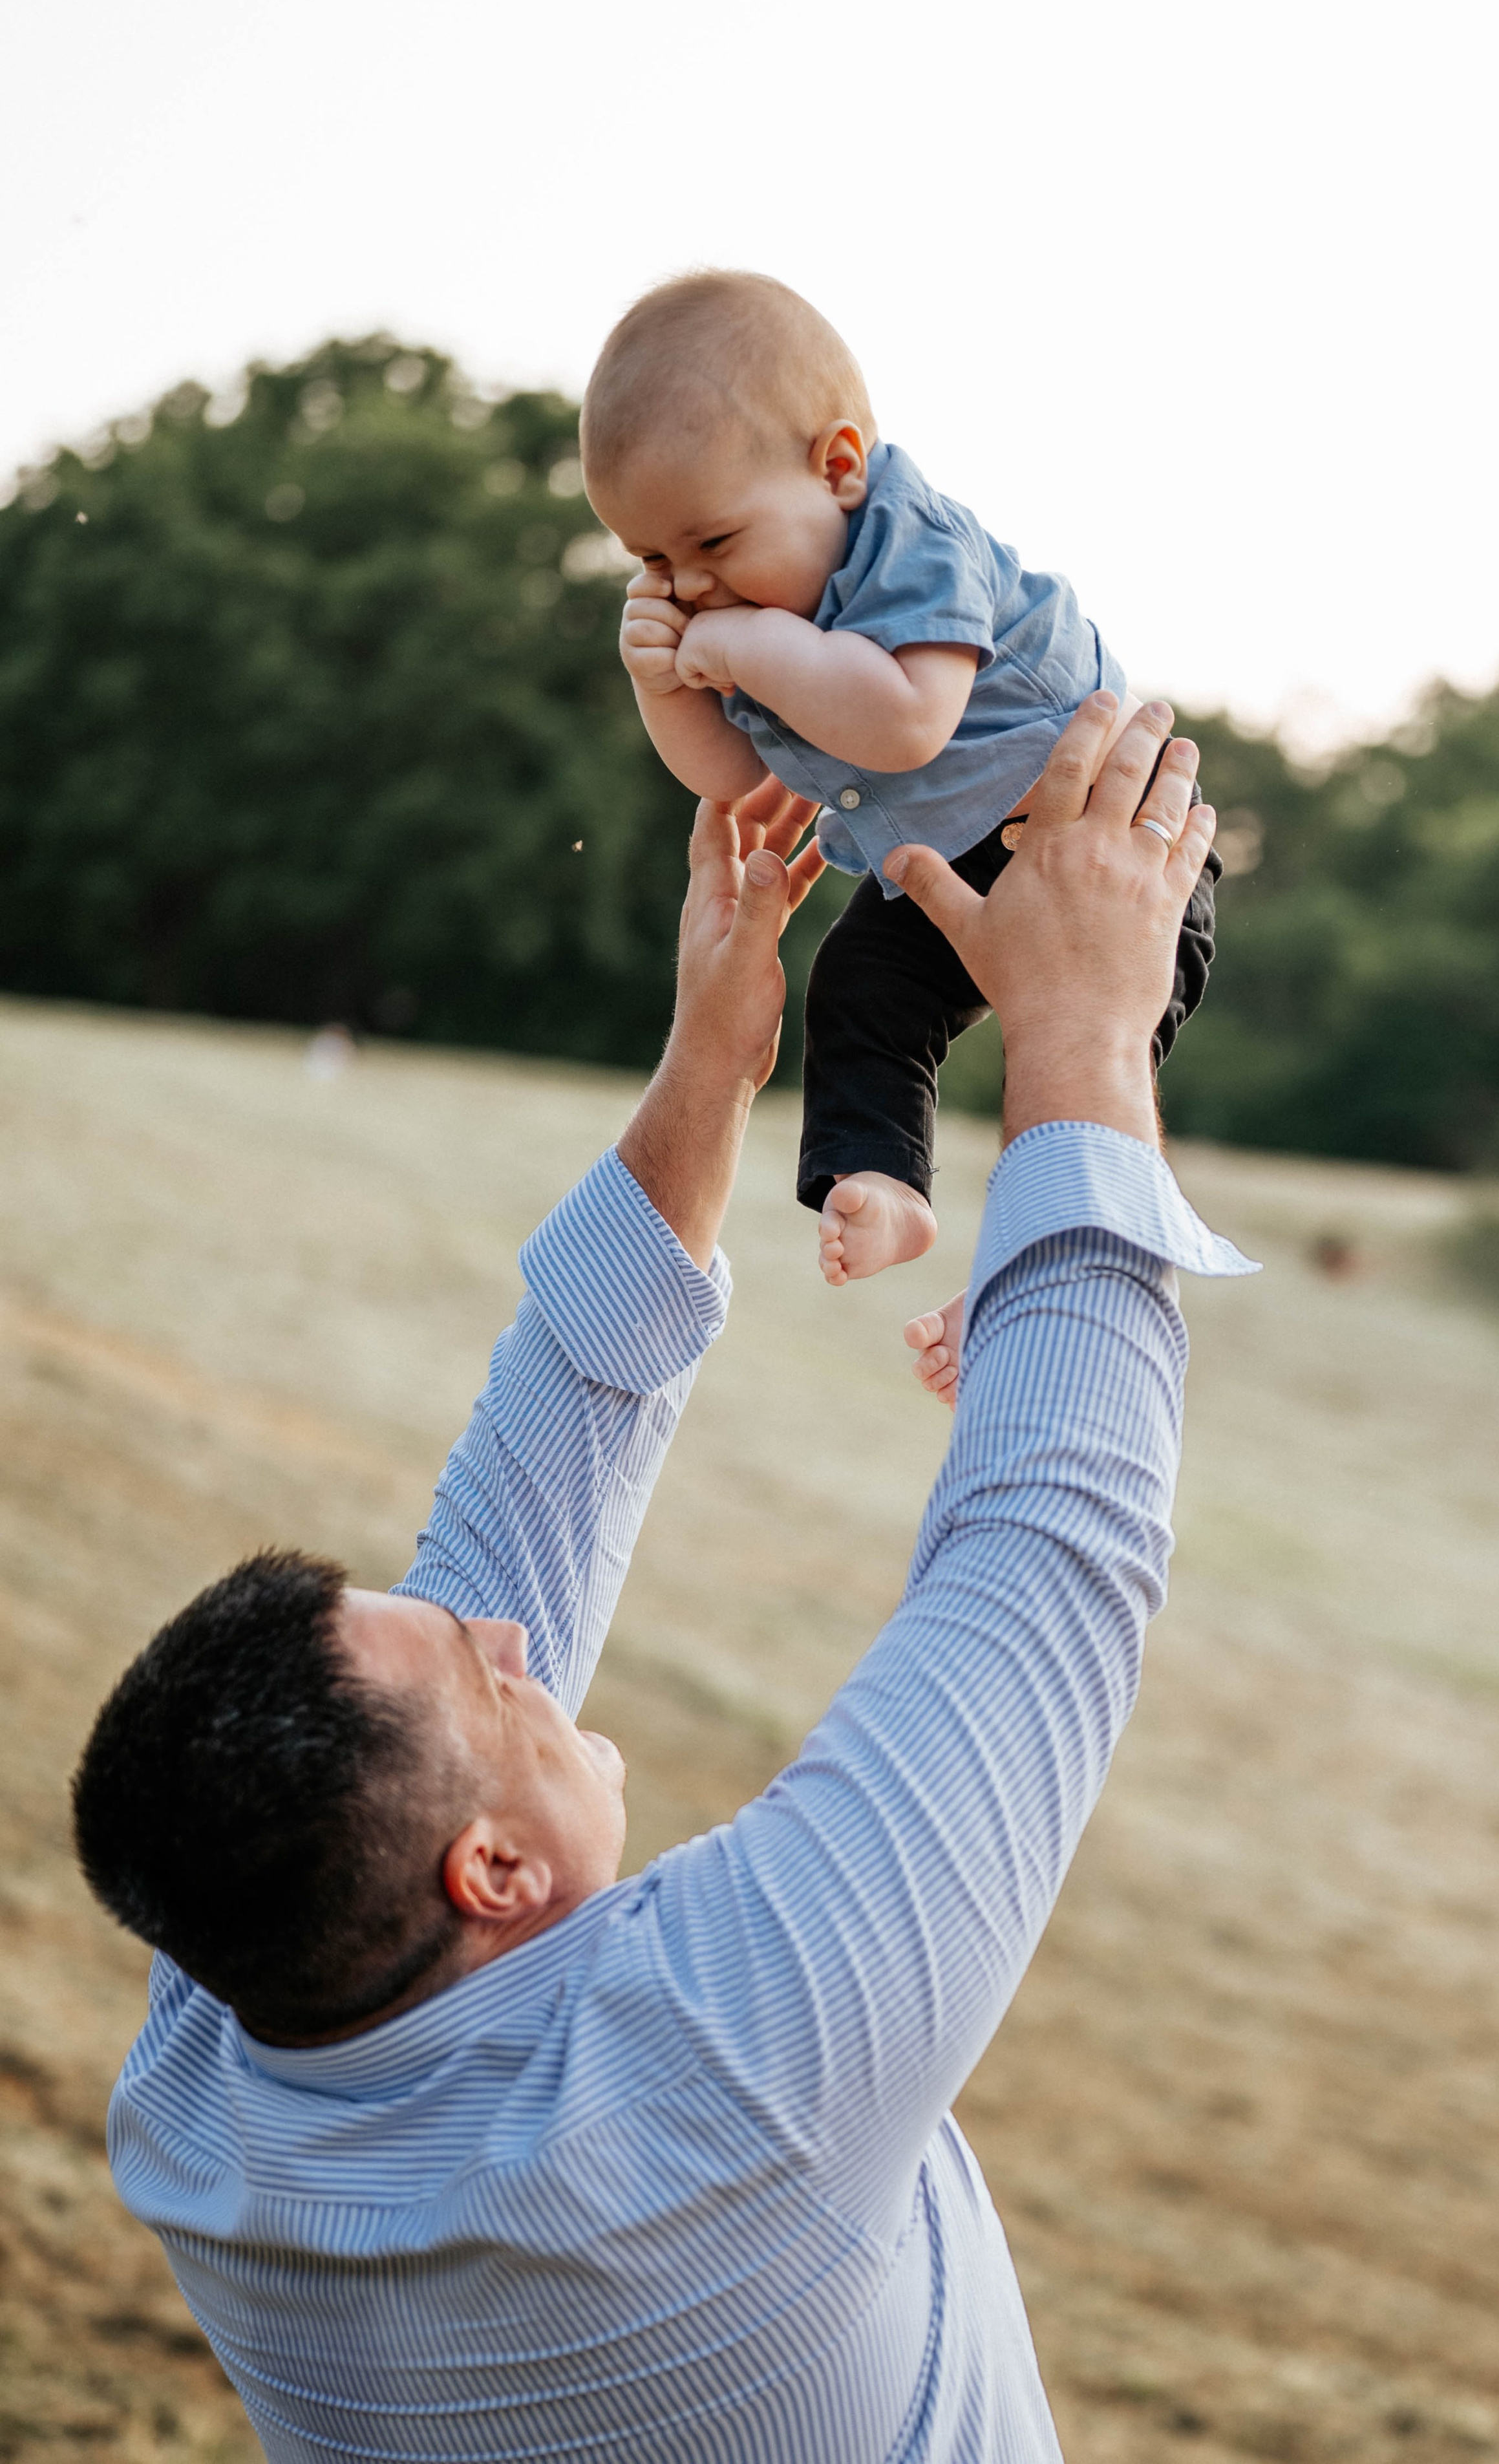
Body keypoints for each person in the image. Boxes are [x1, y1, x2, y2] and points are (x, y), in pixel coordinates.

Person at [72, 696, 1253, 2464]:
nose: (496, 1622)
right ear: (491, 1870)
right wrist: (1081, 1033)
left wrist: (714, 1058)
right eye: (477, 1671)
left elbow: (538, 1471)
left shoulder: (215, 2070)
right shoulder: (726, 2071)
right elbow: (1047, 1560)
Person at [581, 271, 1220, 1287]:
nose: (690, 585)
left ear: (837, 467)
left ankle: (1058, 1267)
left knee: (1091, 1062)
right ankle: (889, 1185)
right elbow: (732, 774)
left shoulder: (909, 540)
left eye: (712, 541)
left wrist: (744, 643)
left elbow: (906, 722)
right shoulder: (764, 616)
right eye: (651, 557)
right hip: (943, 868)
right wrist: (662, 684)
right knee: (860, 989)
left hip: (1108, 855)